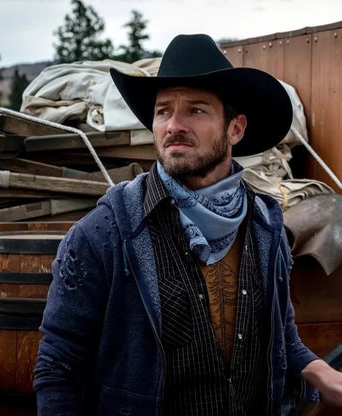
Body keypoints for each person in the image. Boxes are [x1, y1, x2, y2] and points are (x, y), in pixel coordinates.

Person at [33, 34, 342, 416]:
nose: (173, 125)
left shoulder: (265, 224)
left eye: (195, 110)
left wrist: (320, 372)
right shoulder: (106, 232)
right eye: (163, 111)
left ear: (236, 129)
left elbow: (281, 338)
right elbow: (58, 367)